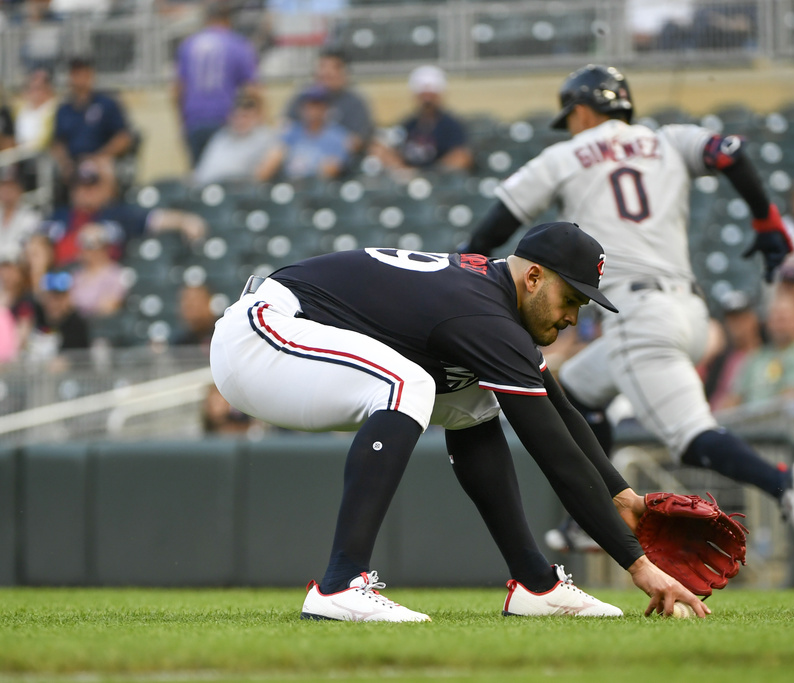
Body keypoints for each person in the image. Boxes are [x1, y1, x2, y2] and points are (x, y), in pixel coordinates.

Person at [210, 222, 709, 622]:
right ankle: (340, 584)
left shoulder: (492, 304)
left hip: (294, 333)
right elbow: (551, 449)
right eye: (571, 299)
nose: (573, 318)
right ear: (533, 277)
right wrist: (638, 565)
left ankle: (536, 584)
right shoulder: (483, 316)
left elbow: (560, 410)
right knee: (409, 384)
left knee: (473, 402)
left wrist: (625, 496)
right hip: (262, 334)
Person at [462, 65, 794, 559]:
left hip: (639, 318)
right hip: (690, 311)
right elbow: (731, 152)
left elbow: (492, 228)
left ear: (585, 110)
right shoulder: (669, 139)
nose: (570, 125)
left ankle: (783, 484)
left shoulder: (566, 154)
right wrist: (765, 218)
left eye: (571, 116)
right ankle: (589, 514)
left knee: (692, 437)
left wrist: (461, 272)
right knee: (576, 393)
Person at [42, 159, 206, 269]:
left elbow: (155, 219)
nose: (84, 192)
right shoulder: (60, 215)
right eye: (79, 186)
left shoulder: (117, 214)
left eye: (91, 186)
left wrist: (185, 221)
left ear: (106, 187)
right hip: (57, 279)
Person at [174, 2, 259, 166]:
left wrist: (181, 121)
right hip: (225, 119)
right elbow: (253, 89)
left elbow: (177, 89)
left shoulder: (188, 44)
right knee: (224, 176)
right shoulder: (238, 44)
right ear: (228, 20)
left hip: (194, 120)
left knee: (200, 176)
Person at [728, 294, 794, 406]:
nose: (778, 324)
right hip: (745, 420)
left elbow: (788, 399)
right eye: (774, 318)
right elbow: (734, 397)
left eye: (783, 318)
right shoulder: (757, 356)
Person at [373, 65, 473, 174]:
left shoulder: (451, 126)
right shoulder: (408, 125)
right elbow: (385, 149)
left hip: (440, 180)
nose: (427, 101)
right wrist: (402, 169)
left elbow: (461, 157)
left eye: (431, 96)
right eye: (423, 96)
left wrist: (429, 174)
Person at [51, 56, 133, 185]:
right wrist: (65, 162)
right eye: (75, 73)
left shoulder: (107, 104)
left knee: (105, 170)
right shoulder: (64, 109)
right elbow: (57, 142)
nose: (78, 77)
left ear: (91, 74)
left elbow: (123, 138)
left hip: (100, 159)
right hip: (73, 162)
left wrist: (100, 157)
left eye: (82, 72)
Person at [283, 46, 374, 156]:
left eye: (333, 68)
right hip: (300, 156)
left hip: (339, 162)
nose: (325, 72)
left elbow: (357, 141)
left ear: (344, 72)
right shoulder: (304, 96)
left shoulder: (355, 103)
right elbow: (286, 128)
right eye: (322, 66)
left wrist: (327, 149)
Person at [255, 86, 349, 182]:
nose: (312, 110)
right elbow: (273, 158)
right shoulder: (292, 131)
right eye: (308, 105)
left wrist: (308, 169)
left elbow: (333, 169)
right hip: (289, 185)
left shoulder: (336, 135)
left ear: (325, 108)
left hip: (318, 188)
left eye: (316, 105)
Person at [192, 91, 277, 186]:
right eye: (236, 116)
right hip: (205, 189)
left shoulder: (265, 138)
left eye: (245, 116)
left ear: (257, 117)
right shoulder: (221, 137)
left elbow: (261, 176)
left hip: (237, 190)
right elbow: (202, 171)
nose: (240, 121)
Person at [706, 290, 763, 412]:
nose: (737, 326)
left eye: (741, 318)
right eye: (732, 320)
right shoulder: (721, 359)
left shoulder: (766, 354)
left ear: (753, 318)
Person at [68, 222, 126, 319]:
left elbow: (110, 306)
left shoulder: (115, 273)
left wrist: (80, 306)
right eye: (83, 245)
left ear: (104, 247)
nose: (86, 250)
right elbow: (66, 304)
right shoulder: (76, 273)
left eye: (90, 245)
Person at [0, 165, 40, 261]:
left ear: (19, 190)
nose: (7, 192)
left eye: (11, 188)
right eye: (3, 188)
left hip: (18, 266)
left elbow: (24, 248)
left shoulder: (31, 216)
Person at [13, 66, 57, 152]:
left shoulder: (53, 109)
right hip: (17, 153)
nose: (35, 93)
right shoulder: (22, 108)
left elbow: (46, 140)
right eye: (32, 88)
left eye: (38, 88)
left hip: (40, 154)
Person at [171, 283, 217, 349]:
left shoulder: (221, 334)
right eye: (186, 302)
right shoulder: (179, 343)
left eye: (195, 301)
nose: (189, 306)